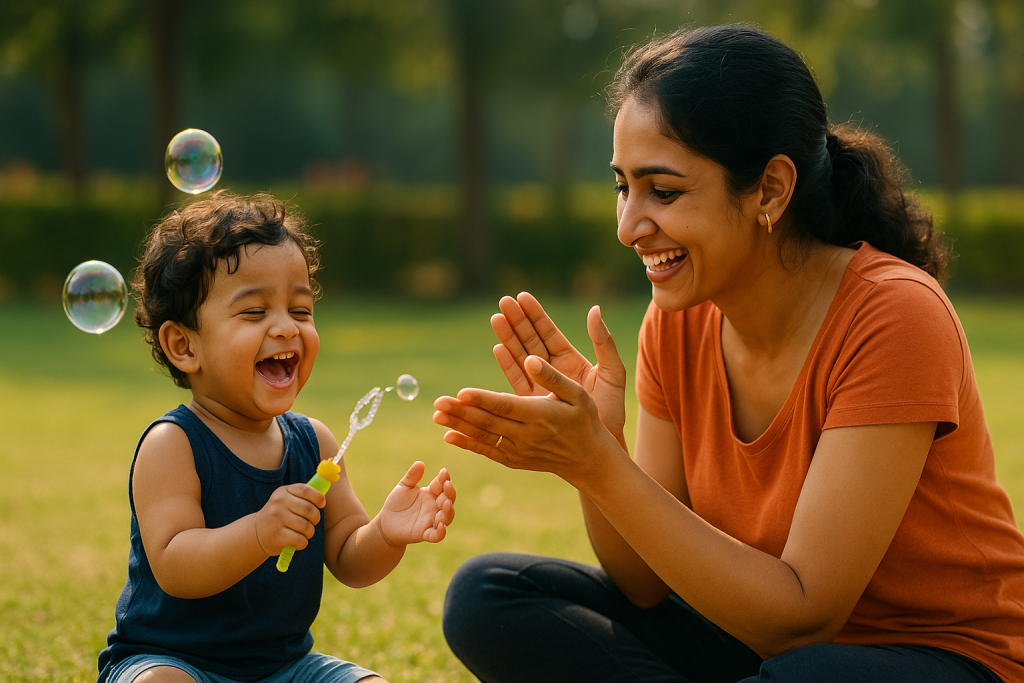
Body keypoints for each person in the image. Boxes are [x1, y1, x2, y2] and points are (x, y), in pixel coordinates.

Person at [432, 24, 1024, 683]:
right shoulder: (676, 322)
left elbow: (804, 615)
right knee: (492, 593)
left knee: (804, 676)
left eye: (663, 190)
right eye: (623, 186)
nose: (628, 225)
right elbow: (644, 583)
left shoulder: (894, 314)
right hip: (761, 646)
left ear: (770, 189)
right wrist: (596, 452)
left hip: (947, 658)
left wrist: (603, 467)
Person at [97, 192, 456, 683]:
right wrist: (259, 534)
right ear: (184, 345)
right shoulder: (172, 444)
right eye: (254, 313)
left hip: (283, 669)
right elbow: (176, 567)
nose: (287, 328)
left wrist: (386, 534)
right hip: (174, 660)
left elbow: (350, 559)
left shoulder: (316, 443)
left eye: (301, 310)